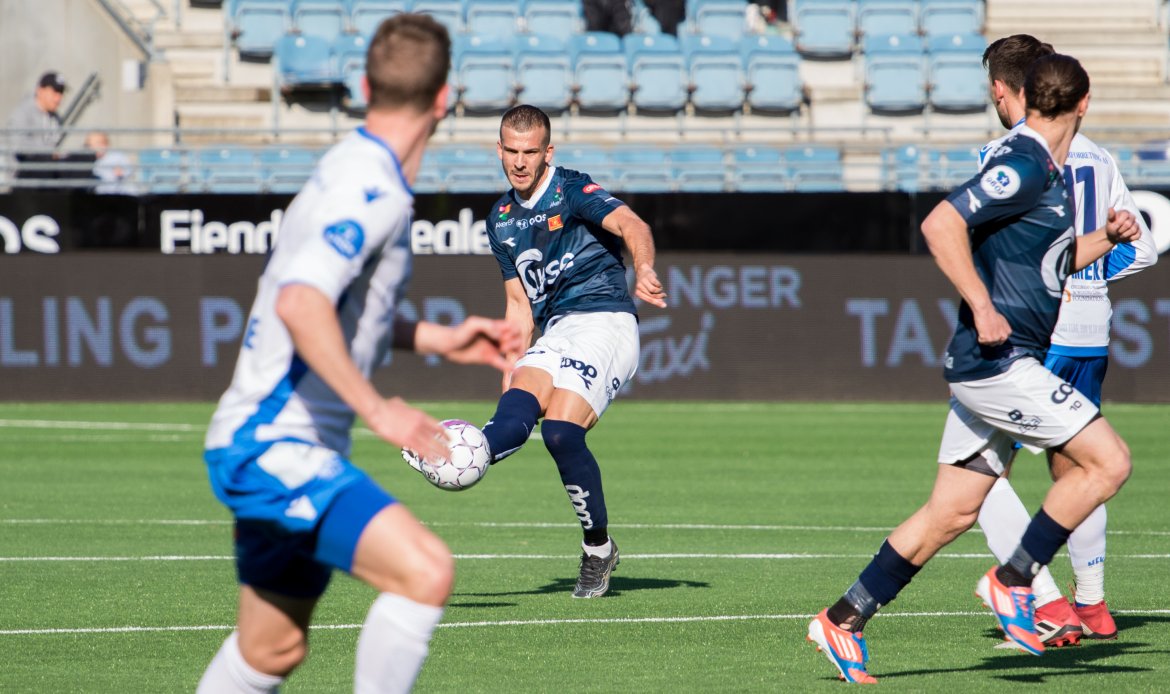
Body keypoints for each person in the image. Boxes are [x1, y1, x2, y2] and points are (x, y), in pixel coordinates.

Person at [197, 15, 520, 694]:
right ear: (444, 99)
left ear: (365, 87)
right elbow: (300, 303)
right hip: (275, 444)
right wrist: (380, 411)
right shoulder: (371, 190)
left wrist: (433, 338)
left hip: (268, 440)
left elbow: (333, 305)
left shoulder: (348, 167)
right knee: (425, 570)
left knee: (272, 650)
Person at [806, 53, 1141, 683]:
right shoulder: (1024, 163)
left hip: (1000, 363)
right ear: (1084, 102)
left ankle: (843, 618)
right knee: (1109, 462)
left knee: (953, 512)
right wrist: (982, 306)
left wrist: (1107, 239)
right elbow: (941, 223)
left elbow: (1047, 260)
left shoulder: (1049, 170)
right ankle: (1015, 580)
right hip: (999, 363)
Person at [433, 103, 664, 599]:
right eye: (512, 151)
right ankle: (451, 457)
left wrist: (643, 267)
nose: (520, 162)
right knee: (512, 416)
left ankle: (598, 549)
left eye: (530, 152)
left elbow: (633, 226)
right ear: (499, 149)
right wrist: (511, 363)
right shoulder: (499, 219)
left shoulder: (572, 190)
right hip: (556, 331)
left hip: (606, 322)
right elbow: (519, 305)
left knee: (560, 433)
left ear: (548, 152)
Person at [974, 34, 1159, 648]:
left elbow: (1001, 248)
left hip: (1035, 331)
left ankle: (1043, 600)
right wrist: (1089, 276)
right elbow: (1141, 247)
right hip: (1089, 332)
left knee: (979, 473)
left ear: (1006, 90)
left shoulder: (1005, 154)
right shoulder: (1099, 158)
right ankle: (1092, 604)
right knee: (1081, 468)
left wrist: (1045, 282)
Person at [6, 71, 66, 181]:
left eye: (61, 93)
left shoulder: (55, 118)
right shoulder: (23, 112)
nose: (58, 98)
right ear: (40, 90)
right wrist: (47, 151)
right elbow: (17, 145)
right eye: (55, 92)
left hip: (47, 172)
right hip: (23, 175)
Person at [85, 130, 138, 195]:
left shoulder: (116, 156)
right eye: (90, 145)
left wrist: (122, 172)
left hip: (121, 193)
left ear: (106, 145)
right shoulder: (89, 161)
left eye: (100, 143)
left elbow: (129, 169)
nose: (97, 147)